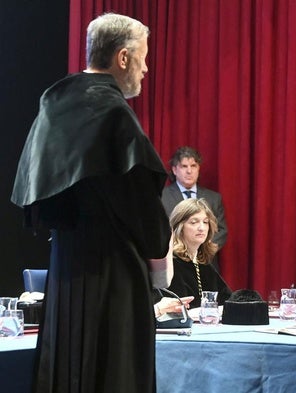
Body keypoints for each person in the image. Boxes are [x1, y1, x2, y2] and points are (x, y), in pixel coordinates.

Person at [11, 13, 171, 393]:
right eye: (144, 57)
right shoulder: (114, 114)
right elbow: (142, 207)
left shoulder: (54, 104)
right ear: (123, 58)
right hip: (114, 274)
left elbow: (37, 192)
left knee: (67, 366)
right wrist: (158, 253)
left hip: (66, 266)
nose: (146, 69)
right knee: (113, 372)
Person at [154, 198, 232, 318]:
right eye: (194, 222)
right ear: (179, 226)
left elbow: (228, 300)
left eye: (205, 222)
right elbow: (174, 311)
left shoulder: (203, 263)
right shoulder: (171, 263)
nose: (201, 228)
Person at [161, 146, 228, 271]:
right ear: (175, 170)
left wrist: (201, 249)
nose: (189, 171)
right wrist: (180, 250)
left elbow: (221, 230)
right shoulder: (161, 197)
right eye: (184, 166)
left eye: (193, 166)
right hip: (173, 262)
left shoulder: (213, 198)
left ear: (198, 168)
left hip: (206, 263)